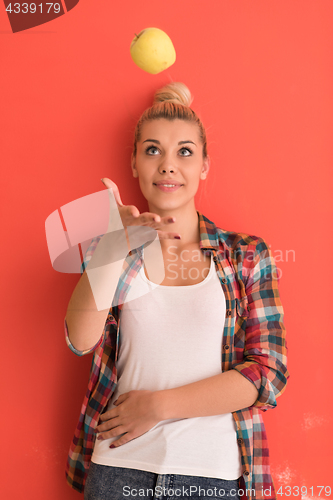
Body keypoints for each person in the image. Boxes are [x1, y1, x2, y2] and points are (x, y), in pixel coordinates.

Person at [64, 82, 290, 500]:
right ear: (134, 163)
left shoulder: (246, 255)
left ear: (205, 164)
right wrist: (113, 247)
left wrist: (159, 406)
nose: (168, 166)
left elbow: (268, 372)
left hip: (213, 475)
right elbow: (80, 340)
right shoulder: (112, 248)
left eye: (185, 152)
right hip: (118, 471)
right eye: (153, 150)